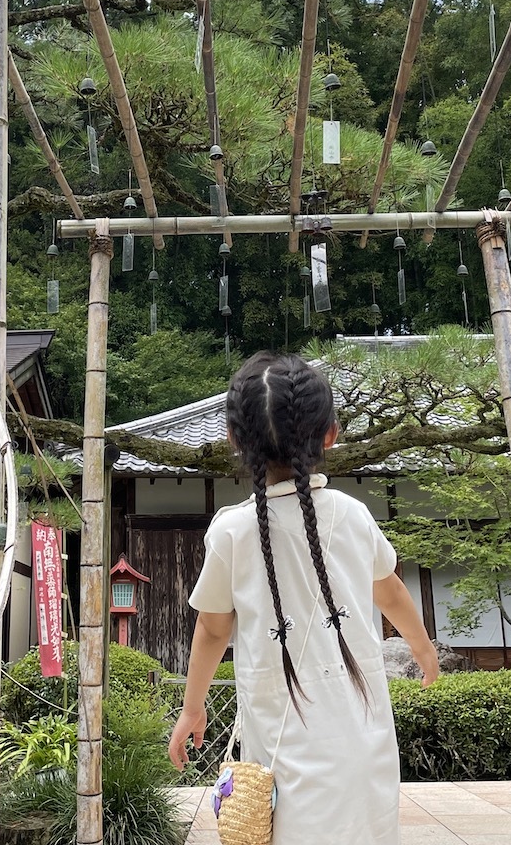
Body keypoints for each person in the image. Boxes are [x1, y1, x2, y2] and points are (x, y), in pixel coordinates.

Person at [167, 351, 440, 844]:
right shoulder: (354, 515)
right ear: (331, 434)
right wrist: (423, 648)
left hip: (279, 743)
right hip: (362, 736)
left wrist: (193, 707)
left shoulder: (232, 530)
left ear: (235, 441)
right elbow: (391, 590)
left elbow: (212, 629)